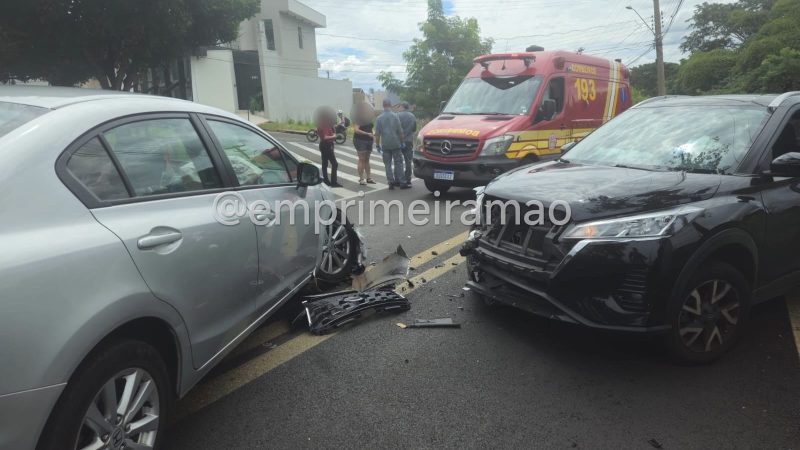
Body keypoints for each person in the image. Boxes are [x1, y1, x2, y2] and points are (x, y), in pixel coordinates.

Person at [374, 99, 409, 190]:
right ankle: (402, 182)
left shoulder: (379, 118)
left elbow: (377, 134)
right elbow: (400, 132)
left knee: (387, 164)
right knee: (398, 163)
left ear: (383, 105)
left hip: (385, 144)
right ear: (390, 105)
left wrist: (377, 145)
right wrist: (402, 142)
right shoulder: (395, 116)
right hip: (396, 143)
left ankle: (391, 182)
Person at [352, 102, 376, 186]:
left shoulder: (368, 117)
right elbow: (356, 130)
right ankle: (361, 179)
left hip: (369, 140)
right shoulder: (358, 117)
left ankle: (369, 178)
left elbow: (370, 128)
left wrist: (373, 133)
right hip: (360, 140)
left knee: (367, 159)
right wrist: (367, 134)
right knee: (362, 159)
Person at [316, 110, 342, 187]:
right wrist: (334, 136)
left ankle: (326, 180)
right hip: (326, 145)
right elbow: (325, 137)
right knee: (334, 164)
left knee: (325, 164)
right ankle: (333, 182)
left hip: (324, 145)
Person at [397, 101, 417, 185]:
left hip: (399, 141)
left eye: (399, 106)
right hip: (409, 141)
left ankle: (399, 179)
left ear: (402, 107)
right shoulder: (412, 116)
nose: (398, 108)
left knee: (398, 161)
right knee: (408, 161)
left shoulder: (397, 115)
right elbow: (414, 129)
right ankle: (408, 179)